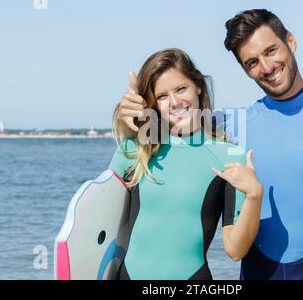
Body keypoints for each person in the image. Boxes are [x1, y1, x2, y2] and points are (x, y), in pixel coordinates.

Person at [116, 9, 303, 280]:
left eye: (271, 51)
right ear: (245, 70)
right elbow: (168, 133)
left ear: (291, 41)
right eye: (252, 63)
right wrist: (133, 114)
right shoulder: (229, 126)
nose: (267, 67)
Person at [109, 48, 263, 280]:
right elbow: (102, 224)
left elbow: (235, 250)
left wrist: (254, 194)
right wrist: (125, 117)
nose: (174, 102)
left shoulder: (229, 157)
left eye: (181, 89)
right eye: (162, 96)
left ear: (198, 86)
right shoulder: (135, 151)